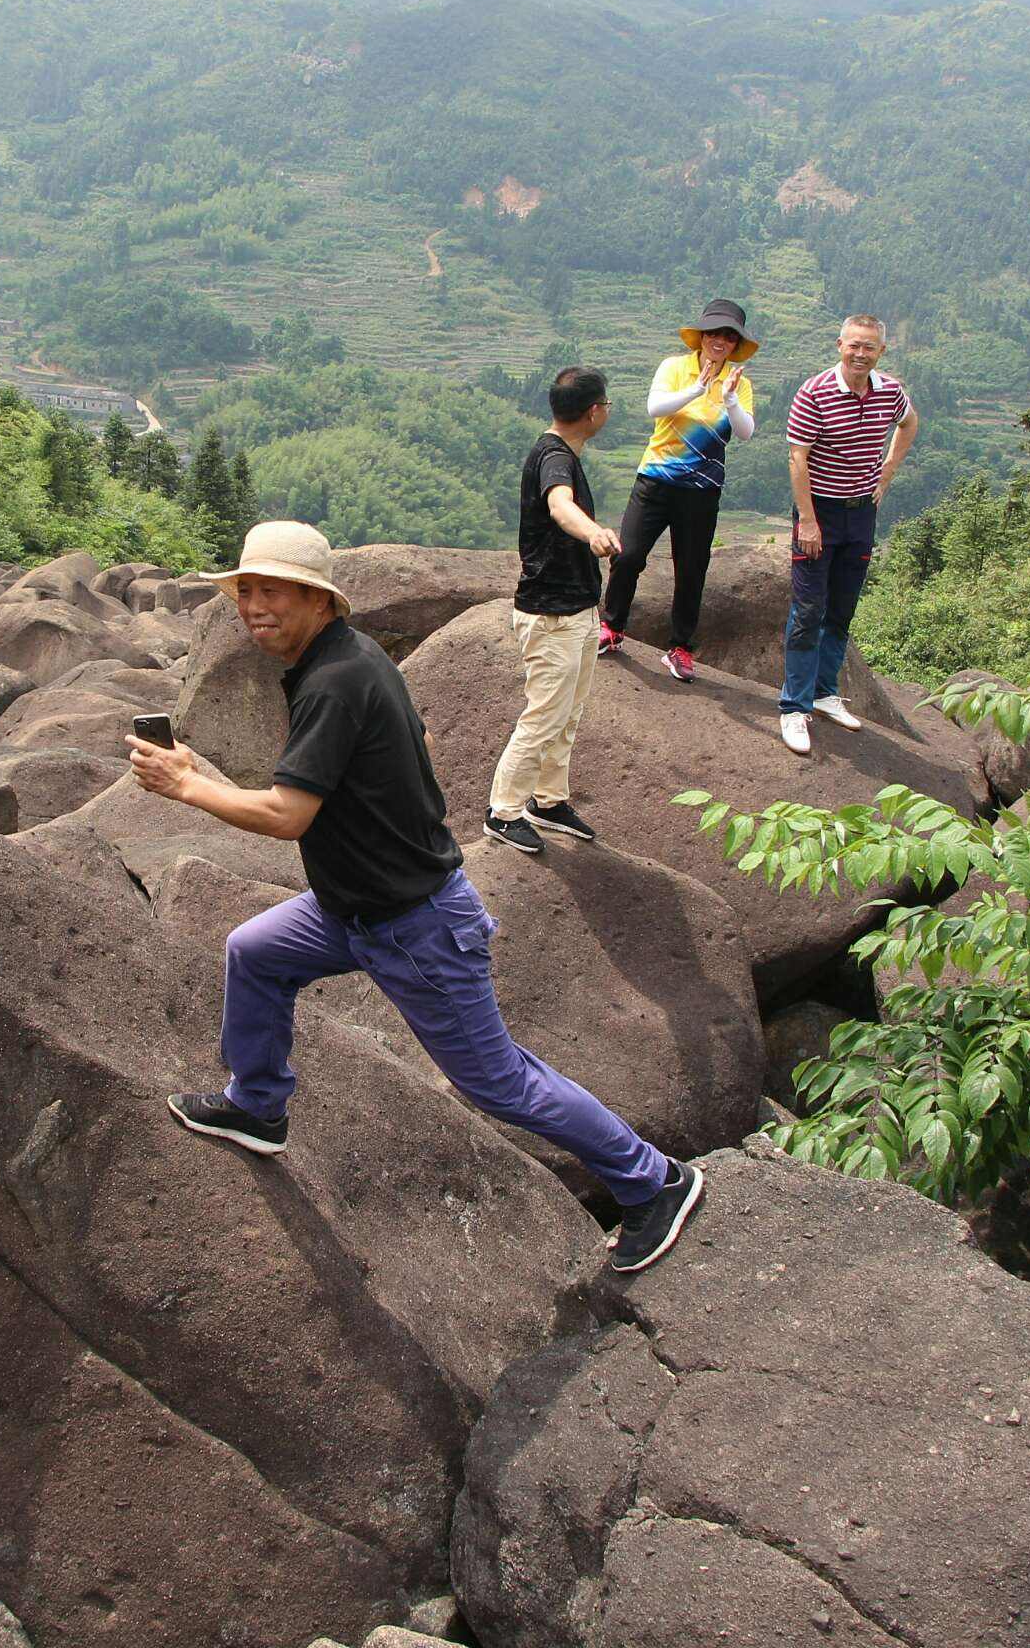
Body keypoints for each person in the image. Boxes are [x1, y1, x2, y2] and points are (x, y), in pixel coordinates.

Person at [129, 520, 706, 1273]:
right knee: (255, 953)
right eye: (245, 591)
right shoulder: (346, 659)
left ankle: (655, 1180)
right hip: (353, 908)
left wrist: (188, 784)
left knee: (499, 1084)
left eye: (270, 590)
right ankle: (257, 1105)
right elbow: (422, 742)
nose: (252, 606)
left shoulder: (335, 678)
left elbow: (286, 815)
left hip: (415, 925)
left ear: (317, 598)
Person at [486, 368, 623, 856]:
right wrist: (593, 533)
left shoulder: (561, 452)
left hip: (578, 610)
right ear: (594, 412)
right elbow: (560, 505)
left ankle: (548, 801)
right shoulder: (554, 458)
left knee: (568, 714)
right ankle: (503, 812)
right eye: (606, 404)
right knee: (544, 716)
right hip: (552, 615)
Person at [776, 314, 917, 754]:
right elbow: (798, 459)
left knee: (841, 609)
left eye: (869, 347)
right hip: (820, 512)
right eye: (854, 345)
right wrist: (809, 520)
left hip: (861, 514)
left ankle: (824, 693)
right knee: (808, 610)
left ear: (881, 352)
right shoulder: (815, 392)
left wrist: (888, 472)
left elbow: (909, 423)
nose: (860, 353)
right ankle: (794, 708)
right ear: (840, 344)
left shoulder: (890, 391)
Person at [599, 300, 759, 682]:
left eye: (728, 336)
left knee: (691, 570)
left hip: (701, 492)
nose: (719, 341)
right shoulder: (675, 367)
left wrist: (730, 399)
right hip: (655, 479)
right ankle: (611, 627)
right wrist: (698, 388)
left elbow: (745, 431)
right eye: (714, 333)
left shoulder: (740, 383)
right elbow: (656, 407)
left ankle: (681, 648)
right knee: (629, 555)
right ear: (701, 336)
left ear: (735, 344)